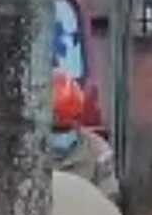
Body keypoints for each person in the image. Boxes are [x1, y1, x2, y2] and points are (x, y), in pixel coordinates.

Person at [51, 71, 120, 203]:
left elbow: (109, 198)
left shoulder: (98, 151)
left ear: (77, 121)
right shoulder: (21, 153)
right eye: (54, 130)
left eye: (66, 129)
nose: (61, 136)